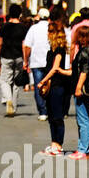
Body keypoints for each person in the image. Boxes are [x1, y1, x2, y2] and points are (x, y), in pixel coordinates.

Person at [35, 19, 71, 155]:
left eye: (50, 31)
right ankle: (53, 143)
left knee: (57, 116)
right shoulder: (52, 49)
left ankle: (59, 145)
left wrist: (42, 80)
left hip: (57, 85)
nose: (47, 34)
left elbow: (55, 68)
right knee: (51, 116)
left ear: (56, 34)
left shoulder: (60, 50)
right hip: (51, 85)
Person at [69, 24, 89, 159]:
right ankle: (82, 148)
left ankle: (83, 149)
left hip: (82, 89)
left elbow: (84, 71)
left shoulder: (84, 52)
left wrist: (78, 87)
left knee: (83, 119)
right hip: (85, 88)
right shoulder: (88, 50)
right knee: (82, 118)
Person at [0, 5, 28, 117]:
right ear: (19, 14)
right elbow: (24, 45)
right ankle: (14, 106)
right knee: (16, 82)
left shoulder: (4, 26)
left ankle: (8, 100)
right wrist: (26, 60)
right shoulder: (23, 27)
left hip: (6, 56)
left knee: (5, 81)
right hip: (19, 57)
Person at [23, 7, 55, 121]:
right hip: (50, 62)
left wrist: (26, 60)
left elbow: (27, 46)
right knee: (50, 85)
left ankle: (42, 111)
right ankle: (51, 109)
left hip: (36, 61)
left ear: (39, 16)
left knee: (39, 86)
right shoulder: (52, 28)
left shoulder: (33, 28)